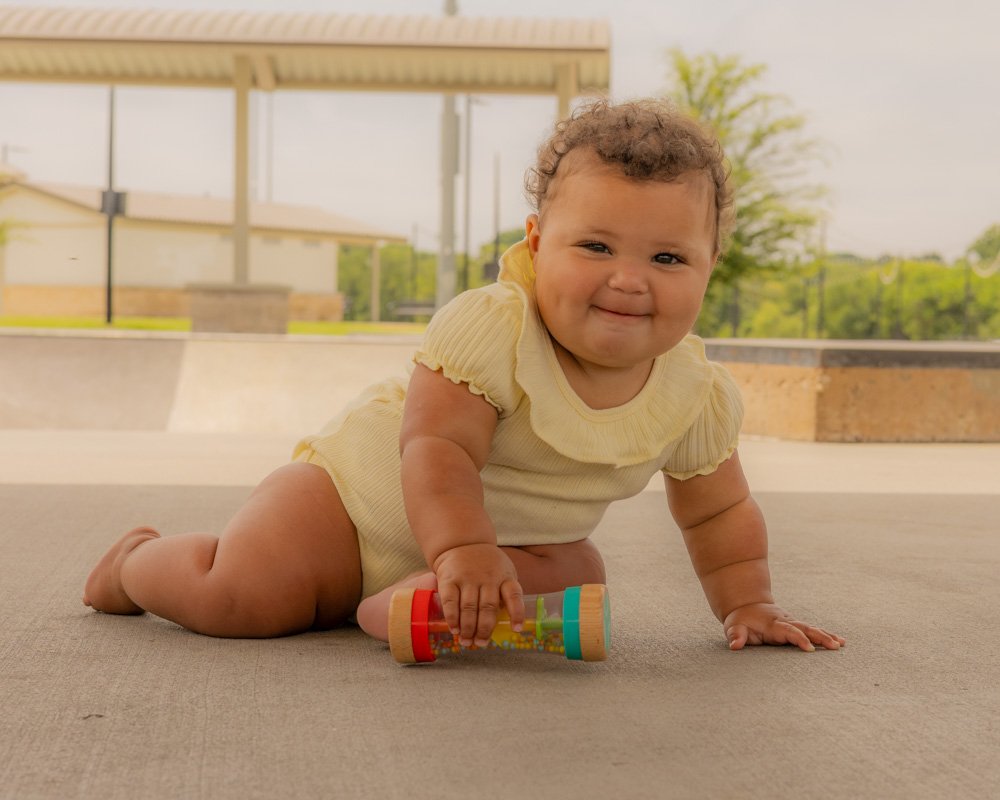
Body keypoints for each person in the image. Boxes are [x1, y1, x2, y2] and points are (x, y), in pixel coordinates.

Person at [84, 99, 844, 654]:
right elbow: (437, 450)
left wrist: (750, 604)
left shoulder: (697, 395)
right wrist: (457, 551)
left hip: (501, 551)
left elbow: (718, 516)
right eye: (597, 247)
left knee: (579, 567)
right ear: (539, 244)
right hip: (354, 509)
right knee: (243, 599)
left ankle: (402, 604)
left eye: (668, 258)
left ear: (711, 268)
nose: (630, 280)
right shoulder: (496, 327)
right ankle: (136, 564)